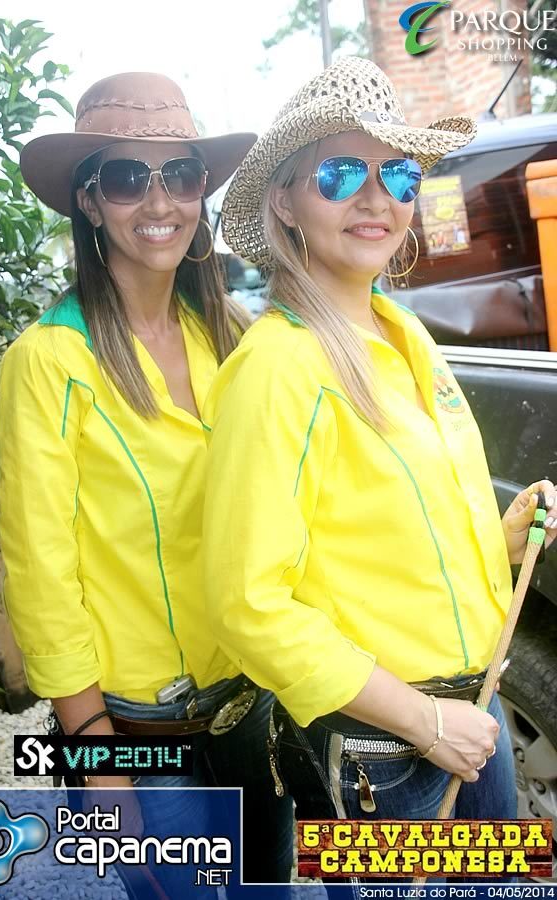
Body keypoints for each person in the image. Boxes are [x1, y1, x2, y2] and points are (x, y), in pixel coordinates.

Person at [202, 57, 557, 888]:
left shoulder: (402, 332)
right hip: (385, 752)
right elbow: (247, 603)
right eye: (339, 173)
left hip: (475, 711)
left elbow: (384, 536)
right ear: (284, 200)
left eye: (399, 174)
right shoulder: (276, 369)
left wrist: (501, 542)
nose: (377, 198)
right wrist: (427, 724)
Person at [0, 72, 293, 893]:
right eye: (128, 177)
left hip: (253, 704)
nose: (158, 201)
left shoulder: (230, 335)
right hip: (137, 733)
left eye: (181, 174)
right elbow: (41, 576)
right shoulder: (48, 361)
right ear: (90, 201)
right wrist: (97, 764)